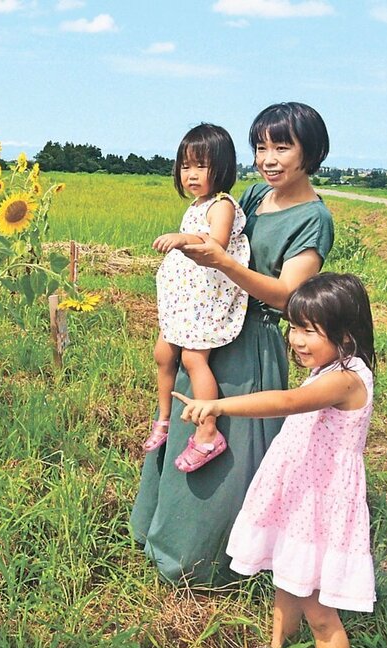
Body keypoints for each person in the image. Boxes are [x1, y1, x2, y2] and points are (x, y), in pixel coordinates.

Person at [131, 101, 334, 586]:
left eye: (282, 147)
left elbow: (287, 296)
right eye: (261, 146)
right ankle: (164, 536)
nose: (268, 158)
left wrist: (222, 264)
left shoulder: (313, 219)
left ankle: (210, 563)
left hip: (252, 343)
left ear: (312, 152)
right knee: (187, 429)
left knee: (232, 459)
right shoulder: (253, 196)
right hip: (210, 325)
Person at [175, 273, 376, 648]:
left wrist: (217, 404)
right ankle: (276, 645)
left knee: (320, 614)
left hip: (321, 502)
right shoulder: (328, 368)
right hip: (301, 493)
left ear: (346, 335)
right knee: (286, 580)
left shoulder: (346, 379)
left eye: (310, 330)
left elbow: (286, 403)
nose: (297, 340)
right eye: (294, 327)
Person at [145, 124, 250, 473]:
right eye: (186, 166)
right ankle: (164, 417)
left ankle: (208, 432)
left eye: (201, 166)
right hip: (184, 301)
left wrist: (181, 237)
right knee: (163, 353)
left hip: (205, 302)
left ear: (222, 168)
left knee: (193, 359)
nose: (191, 174)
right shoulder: (198, 203)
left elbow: (216, 243)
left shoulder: (222, 205)